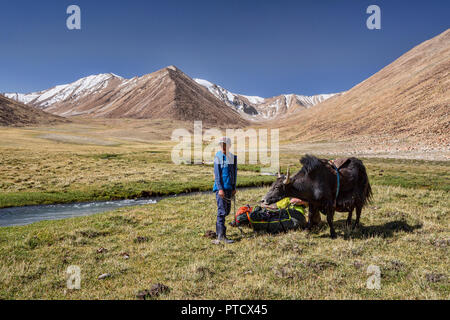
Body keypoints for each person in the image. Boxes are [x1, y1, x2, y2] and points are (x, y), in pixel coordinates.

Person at [212, 137, 237, 244]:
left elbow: (234, 173)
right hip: (220, 189)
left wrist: (234, 187)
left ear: (229, 145)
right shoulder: (218, 157)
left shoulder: (232, 157)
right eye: (221, 144)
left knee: (227, 211)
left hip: (229, 188)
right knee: (222, 212)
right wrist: (220, 189)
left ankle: (219, 233)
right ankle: (221, 236)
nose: (223, 146)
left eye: (225, 144)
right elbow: (217, 175)